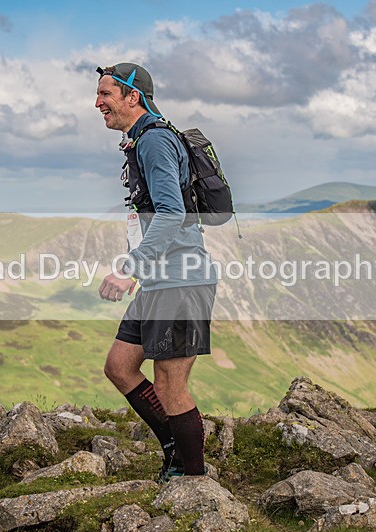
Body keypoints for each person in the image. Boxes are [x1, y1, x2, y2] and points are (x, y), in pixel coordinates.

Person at [94, 63, 217, 482]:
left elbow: (171, 213)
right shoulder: (141, 140)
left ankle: (193, 481)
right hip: (159, 281)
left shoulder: (155, 141)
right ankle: (174, 450)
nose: (98, 103)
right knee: (120, 366)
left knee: (170, 385)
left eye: (106, 94)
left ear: (133, 97)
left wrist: (130, 268)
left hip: (181, 281)